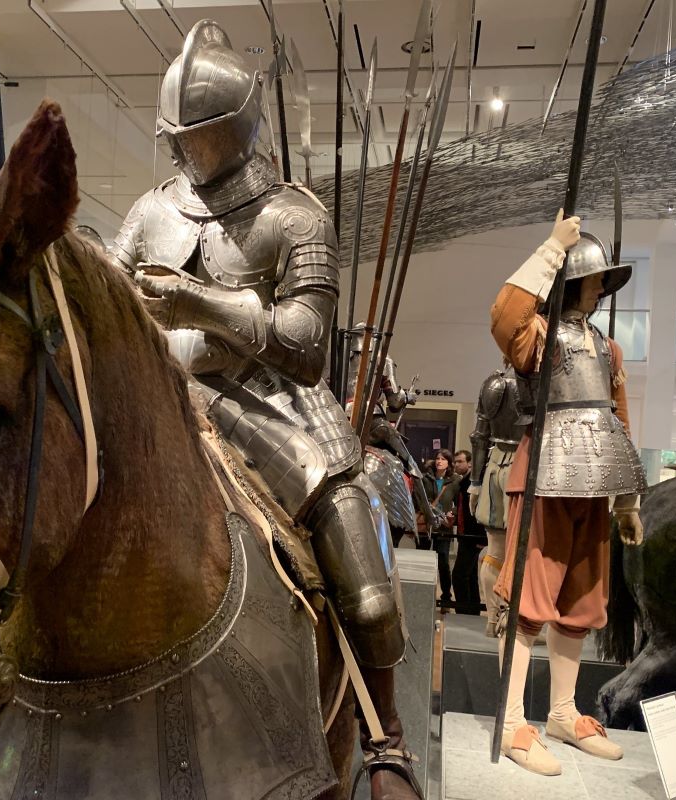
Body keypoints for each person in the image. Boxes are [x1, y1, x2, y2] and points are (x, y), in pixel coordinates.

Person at [110, 21, 420, 798]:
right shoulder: (151, 211)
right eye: (178, 137)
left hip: (275, 405)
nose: (189, 152)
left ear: (238, 126)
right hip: (164, 399)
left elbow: (307, 343)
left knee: (369, 589)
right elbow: (110, 298)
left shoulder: (295, 216)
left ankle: (386, 740)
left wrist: (194, 300)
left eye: (202, 135)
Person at [488, 211, 646, 776]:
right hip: (543, 474)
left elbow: (618, 420)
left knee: (580, 603)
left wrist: (626, 500)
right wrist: (551, 247)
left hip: (595, 480)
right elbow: (506, 313)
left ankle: (560, 712)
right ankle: (511, 723)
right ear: (576, 281)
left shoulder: (608, 349)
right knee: (529, 601)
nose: (604, 287)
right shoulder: (537, 335)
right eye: (598, 277)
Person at [345, 325, 443, 542]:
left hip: (342, 420)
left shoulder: (341, 358)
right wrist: (409, 396)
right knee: (410, 463)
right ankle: (429, 515)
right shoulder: (382, 359)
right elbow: (395, 403)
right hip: (374, 423)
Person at [468, 365, 525, 635]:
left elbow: (480, 437)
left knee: (495, 553)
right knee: (525, 551)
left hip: (494, 468)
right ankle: (517, 622)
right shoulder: (535, 384)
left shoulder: (492, 383)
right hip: (525, 469)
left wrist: (475, 486)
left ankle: (493, 619)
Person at [421, 448, 461, 608]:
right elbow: (420, 499)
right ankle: (422, 594)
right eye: (438, 458)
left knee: (443, 561)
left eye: (443, 459)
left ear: (449, 463)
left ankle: (446, 596)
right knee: (423, 560)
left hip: (444, 526)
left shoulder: (455, 481)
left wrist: (453, 513)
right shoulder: (426, 478)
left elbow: (459, 503)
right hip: (427, 526)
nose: (439, 461)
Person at [451, 450, 484, 615]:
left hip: (473, 536)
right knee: (470, 576)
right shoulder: (465, 482)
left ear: (470, 463)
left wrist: (481, 537)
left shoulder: (474, 483)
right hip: (467, 536)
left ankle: (464, 613)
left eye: (460, 461)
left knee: (459, 576)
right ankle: (472, 612)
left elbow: (478, 510)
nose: (456, 464)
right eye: (455, 462)